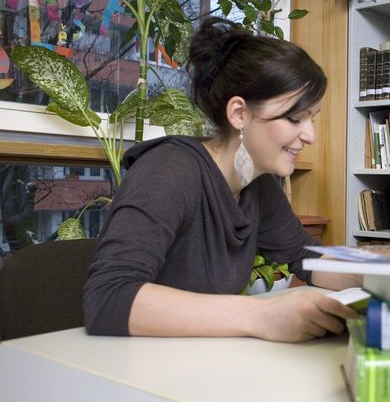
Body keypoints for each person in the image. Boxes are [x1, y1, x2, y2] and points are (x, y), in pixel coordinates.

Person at [84, 17, 360, 340]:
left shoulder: (256, 184)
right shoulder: (170, 171)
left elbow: (306, 257)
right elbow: (108, 298)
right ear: (239, 114)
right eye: (295, 118)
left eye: (311, 118)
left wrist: (387, 276)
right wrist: (263, 315)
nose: (310, 135)